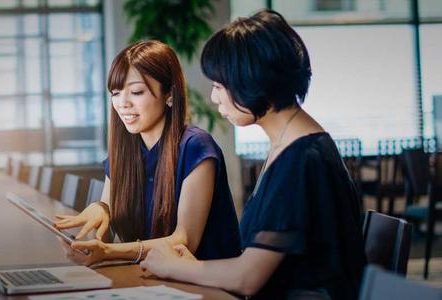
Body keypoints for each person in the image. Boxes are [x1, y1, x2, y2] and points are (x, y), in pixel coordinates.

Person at [140, 10, 366, 300]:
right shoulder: (294, 145)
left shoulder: (301, 158)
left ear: (251, 81)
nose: (213, 97)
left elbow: (248, 278)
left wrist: (171, 267)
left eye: (219, 86)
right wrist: (190, 267)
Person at [54, 40, 241, 265]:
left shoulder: (195, 146)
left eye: (136, 91)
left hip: (208, 286)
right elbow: (107, 212)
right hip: (152, 280)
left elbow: (185, 241)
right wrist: (99, 211)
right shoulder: (124, 151)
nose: (123, 103)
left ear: (169, 94)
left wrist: (110, 251)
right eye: (115, 92)